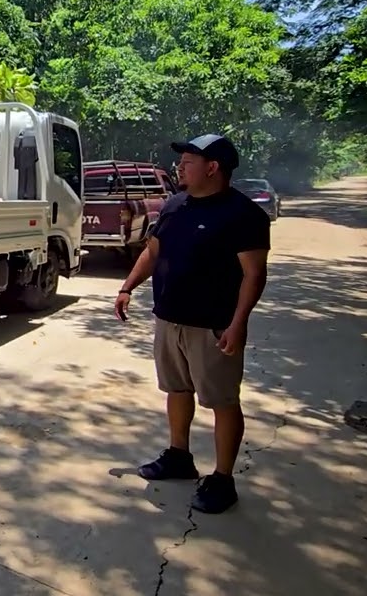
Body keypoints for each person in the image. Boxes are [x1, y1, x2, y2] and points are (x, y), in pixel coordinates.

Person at [113, 134, 270, 514]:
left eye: (188, 161)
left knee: (222, 401)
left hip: (212, 326)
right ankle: (179, 456)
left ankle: (222, 478)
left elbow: (254, 274)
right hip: (169, 319)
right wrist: (127, 287)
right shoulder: (174, 206)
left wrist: (238, 323)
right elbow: (153, 253)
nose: (179, 167)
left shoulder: (244, 215)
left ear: (212, 168)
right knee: (176, 390)